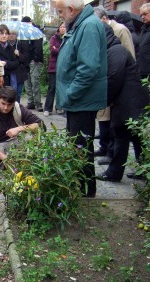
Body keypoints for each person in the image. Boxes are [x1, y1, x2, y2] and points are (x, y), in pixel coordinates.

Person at [55, 0, 107, 198]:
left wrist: (70, 93)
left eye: (60, 11)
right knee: (77, 145)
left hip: (82, 100)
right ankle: (80, 186)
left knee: (81, 146)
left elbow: (88, 68)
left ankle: (85, 190)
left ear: (71, 9)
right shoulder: (80, 24)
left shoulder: (89, 26)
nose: (59, 16)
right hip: (78, 100)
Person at [96, 24, 149, 182]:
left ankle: (115, 173)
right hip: (130, 100)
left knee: (121, 135)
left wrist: (106, 100)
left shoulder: (115, 50)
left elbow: (114, 77)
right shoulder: (114, 49)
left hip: (128, 101)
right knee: (133, 137)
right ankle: (142, 169)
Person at [93, 5, 136, 166]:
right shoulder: (110, 45)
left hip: (124, 92)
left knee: (120, 130)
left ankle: (115, 163)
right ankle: (108, 152)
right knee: (112, 125)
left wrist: (107, 97)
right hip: (118, 90)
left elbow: (117, 72)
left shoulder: (118, 40)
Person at [0, 86, 43, 175]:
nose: (5, 107)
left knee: (36, 147)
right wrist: (4, 158)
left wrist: (20, 128)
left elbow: (40, 125)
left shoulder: (19, 109)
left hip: (16, 143)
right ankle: (11, 162)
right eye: (3, 103)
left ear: (14, 102)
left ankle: (10, 163)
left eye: (9, 105)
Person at [21, 16, 44, 112]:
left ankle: (38, 103)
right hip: (25, 60)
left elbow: (38, 46)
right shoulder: (22, 32)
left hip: (35, 60)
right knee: (27, 82)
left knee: (35, 81)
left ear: (30, 22)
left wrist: (36, 58)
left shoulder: (36, 31)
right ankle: (30, 102)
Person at [43, 22, 66, 117]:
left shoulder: (67, 38)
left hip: (64, 67)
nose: (62, 28)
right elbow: (53, 50)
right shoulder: (54, 38)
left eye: (64, 27)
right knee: (52, 87)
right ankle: (47, 108)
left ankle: (60, 107)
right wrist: (61, 49)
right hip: (53, 67)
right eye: (61, 26)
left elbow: (67, 51)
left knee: (61, 88)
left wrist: (58, 49)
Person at [0, 25, 19, 91]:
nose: (4, 36)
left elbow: (16, 63)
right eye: (2, 33)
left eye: (6, 34)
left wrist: (6, 63)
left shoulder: (11, 48)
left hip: (9, 80)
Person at [8, 29, 30, 103]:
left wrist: (19, 54)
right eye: (10, 34)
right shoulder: (6, 45)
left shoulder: (20, 44)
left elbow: (26, 58)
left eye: (13, 34)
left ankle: (17, 106)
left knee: (18, 93)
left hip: (20, 72)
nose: (11, 35)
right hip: (10, 71)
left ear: (16, 35)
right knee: (9, 92)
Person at [139, 3, 150, 81]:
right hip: (143, 72)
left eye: (145, 14)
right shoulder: (143, 29)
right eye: (141, 15)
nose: (142, 17)